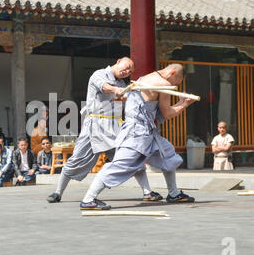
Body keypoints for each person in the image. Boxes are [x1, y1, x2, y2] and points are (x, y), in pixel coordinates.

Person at [80, 64, 196, 210]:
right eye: (175, 82)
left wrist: (180, 103)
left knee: (167, 154)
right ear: (172, 73)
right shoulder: (163, 84)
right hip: (137, 133)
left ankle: (174, 193)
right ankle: (88, 199)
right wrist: (184, 104)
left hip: (145, 132)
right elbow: (167, 114)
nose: (173, 85)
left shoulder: (146, 77)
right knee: (120, 165)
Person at [47, 57, 161, 203]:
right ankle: (58, 192)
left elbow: (126, 99)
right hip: (94, 125)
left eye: (129, 72)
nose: (126, 72)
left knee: (132, 156)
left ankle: (147, 192)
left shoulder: (121, 84)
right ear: (119, 61)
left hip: (115, 127)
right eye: (126, 67)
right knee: (77, 159)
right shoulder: (99, 74)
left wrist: (135, 94)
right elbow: (105, 87)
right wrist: (116, 90)